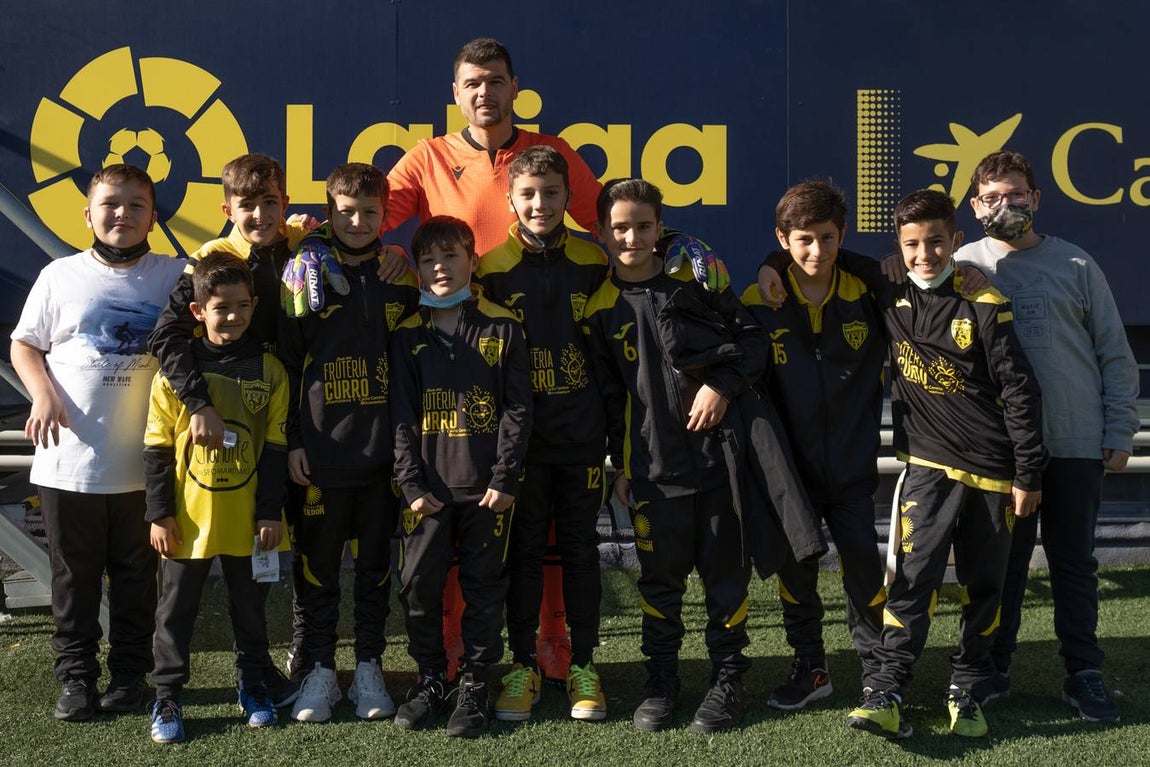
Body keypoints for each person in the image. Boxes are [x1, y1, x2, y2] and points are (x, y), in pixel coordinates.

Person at [845, 189, 1046, 739]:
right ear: (898, 248)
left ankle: (968, 687)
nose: (924, 254)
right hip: (926, 468)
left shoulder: (985, 302)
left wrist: (1029, 474)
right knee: (910, 581)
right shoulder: (888, 283)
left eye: (936, 242)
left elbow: (1021, 392)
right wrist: (770, 262)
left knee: (987, 587)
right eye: (912, 244)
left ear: (957, 241)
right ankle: (887, 690)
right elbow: (825, 251)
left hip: (993, 472)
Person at [955, 150, 1140, 723]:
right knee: (1002, 567)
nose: (1003, 206)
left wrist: (1119, 427)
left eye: (1015, 195)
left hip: (1075, 445)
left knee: (1074, 565)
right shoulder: (962, 264)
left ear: (1036, 199)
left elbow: (1114, 352)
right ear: (974, 204)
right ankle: (994, 669)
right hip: (1001, 453)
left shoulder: (1077, 265)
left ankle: (1083, 673)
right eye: (991, 197)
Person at [583, 179, 767, 734]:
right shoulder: (599, 308)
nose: (632, 236)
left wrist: (723, 386)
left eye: (643, 225)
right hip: (652, 473)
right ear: (602, 234)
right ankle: (661, 682)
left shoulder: (697, 282)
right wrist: (620, 467)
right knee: (659, 584)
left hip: (718, 466)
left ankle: (727, 682)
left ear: (660, 228)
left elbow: (753, 341)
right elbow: (606, 399)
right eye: (620, 228)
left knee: (725, 580)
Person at [10, 164, 186, 722]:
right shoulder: (58, 276)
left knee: (138, 577)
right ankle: (76, 679)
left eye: (137, 205)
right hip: (70, 462)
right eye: (111, 203)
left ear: (153, 216)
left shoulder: (178, 275)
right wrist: (40, 393)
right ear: (88, 213)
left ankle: (129, 675)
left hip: (148, 466)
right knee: (74, 577)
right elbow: (24, 345)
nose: (123, 214)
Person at [278, 163, 420, 723]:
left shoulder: (400, 276)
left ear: (387, 215)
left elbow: (415, 365)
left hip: (384, 453)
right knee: (317, 568)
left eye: (369, 212)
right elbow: (289, 362)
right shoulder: (304, 273)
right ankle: (317, 669)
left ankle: (367, 667)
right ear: (329, 212)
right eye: (345, 211)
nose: (357, 221)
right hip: (321, 450)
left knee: (374, 571)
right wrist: (293, 440)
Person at [740, 181, 886, 712]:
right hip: (790, 473)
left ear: (842, 236)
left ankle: (878, 673)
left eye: (827, 238)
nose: (817, 252)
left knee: (863, 569)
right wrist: (768, 266)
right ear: (783, 239)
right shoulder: (759, 299)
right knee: (795, 572)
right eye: (803, 240)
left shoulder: (868, 291)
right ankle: (811, 667)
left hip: (850, 466)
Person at [475, 146, 609, 722]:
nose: (540, 204)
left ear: (568, 198)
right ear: (509, 198)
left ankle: (584, 665)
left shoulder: (594, 260)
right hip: (521, 444)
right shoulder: (489, 268)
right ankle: (524, 666)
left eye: (551, 193)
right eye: (528, 194)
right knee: (524, 554)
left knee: (581, 552)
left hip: (581, 439)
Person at [389, 215, 532, 738]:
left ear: (473, 261)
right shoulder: (406, 334)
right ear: (418, 271)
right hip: (426, 493)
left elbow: (518, 409)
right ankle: (430, 679)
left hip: (486, 491)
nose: (440, 267)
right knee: (419, 588)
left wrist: (506, 476)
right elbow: (399, 415)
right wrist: (410, 484)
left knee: (483, 590)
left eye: (451, 257)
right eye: (428, 260)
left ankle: (473, 684)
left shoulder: (503, 324)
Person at [144, 254, 291, 743]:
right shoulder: (175, 376)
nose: (232, 316)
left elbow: (273, 451)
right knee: (174, 611)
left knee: (249, 609)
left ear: (255, 306)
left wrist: (270, 512)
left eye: (242, 306)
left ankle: (252, 684)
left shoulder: (270, 371)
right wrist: (160, 514)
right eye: (220, 307)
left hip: (250, 522)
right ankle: (167, 697)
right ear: (198, 311)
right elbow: (157, 451)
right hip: (187, 522)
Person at [384, 37, 602, 256]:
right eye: (472, 84)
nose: (484, 92)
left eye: (496, 82)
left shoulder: (554, 152)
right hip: (461, 292)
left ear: (514, 88)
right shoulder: (428, 158)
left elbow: (609, 222)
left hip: (537, 290)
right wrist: (388, 253)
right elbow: (363, 220)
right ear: (456, 94)